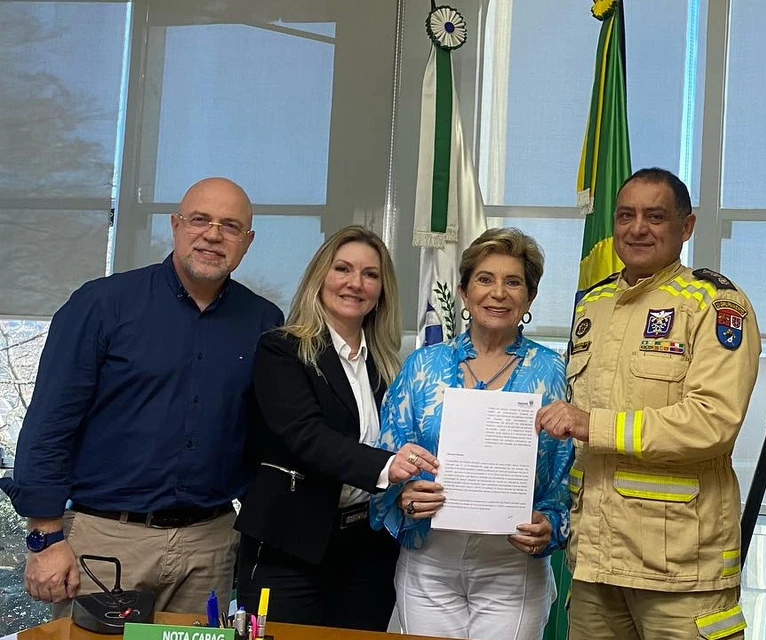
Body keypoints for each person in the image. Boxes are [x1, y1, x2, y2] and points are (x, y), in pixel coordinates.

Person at [3, 177, 282, 615]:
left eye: (230, 226)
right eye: (200, 220)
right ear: (175, 225)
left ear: (247, 241)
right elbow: (51, 422)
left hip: (209, 544)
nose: (213, 235)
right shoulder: (101, 305)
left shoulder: (263, 321)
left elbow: (263, 436)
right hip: (105, 540)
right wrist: (45, 537)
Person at [537, 168, 761, 640]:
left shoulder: (714, 304)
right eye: (626, 216)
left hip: (681, 566)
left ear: (686, 226)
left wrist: (594, 425)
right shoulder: (593, 304)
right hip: (596, 562)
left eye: (655, 217)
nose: (637, 228)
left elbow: (713, 422)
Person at [371, 227, 574, 640]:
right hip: (429, 561)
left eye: (513, 282)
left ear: (529, 298)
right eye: (485, 279)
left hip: (512, 564)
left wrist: (551, 523)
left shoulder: (552, 370)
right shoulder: (423, 365)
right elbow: (385, 456)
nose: (498, 293)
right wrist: (404, 494)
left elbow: (565, 472)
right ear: (463, 292)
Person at [233, 226, 435, 630]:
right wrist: (388, 466)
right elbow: (306, 435)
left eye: (370, 274)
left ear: (381, 290)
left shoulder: (389, 366)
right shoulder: (282, 349)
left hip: (367, 548)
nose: (355, 283)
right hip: (290, 545)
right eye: (343, 269)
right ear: (320, 276)